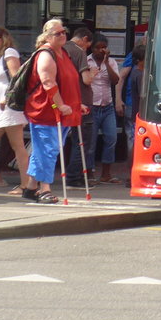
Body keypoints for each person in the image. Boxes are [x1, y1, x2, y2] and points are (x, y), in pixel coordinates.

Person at [23, 18, 81, 204]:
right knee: (48, 149)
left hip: (62, 111)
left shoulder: (63, 53)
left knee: (46, 149)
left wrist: (76, 105)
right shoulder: (46, 54)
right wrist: (60, 105)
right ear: (47, 36)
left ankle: (31, 187)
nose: (63, 35)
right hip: (47, 111)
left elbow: (68, 82)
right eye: (58, 33)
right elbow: (48, 82)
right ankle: (44, 189)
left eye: (64, 32)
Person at [0, 26, 29, 194]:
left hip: (8, 103)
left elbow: (16, 77)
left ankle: (26, 185)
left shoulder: (10, 52)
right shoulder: (0, 57)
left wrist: (7, 98)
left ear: (4, 38)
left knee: (17, 144)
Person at [63, 26, 95, 187]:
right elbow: (86, 80)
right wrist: (93, 73)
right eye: (88, 45)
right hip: (82, 102)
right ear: (84, 39)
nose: (87, 48)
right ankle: (74, 177)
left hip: (64, 101)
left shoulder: (61, 49)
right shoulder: (79, 52)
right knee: (82, 141)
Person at [86, 34, 120, 185]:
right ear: (92, 48)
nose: (100, 50)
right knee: (91, 142)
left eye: (103, 47)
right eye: (97, 48)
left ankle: (106, 174)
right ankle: (89, 173)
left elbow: (115, 81)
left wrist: (106, 63)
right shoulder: (86, 61)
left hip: (107, 107)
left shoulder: (111, 62)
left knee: (111, 138)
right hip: (92, 107)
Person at [116, 41, 146, 173]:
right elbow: (121, 77)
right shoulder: (138, 74)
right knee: (134, 141)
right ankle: (132, 171)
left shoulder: (137, 72)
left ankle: (132, 170)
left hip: (133, 108)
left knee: (133, 140)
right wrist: (118, 99)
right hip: (134, 109)